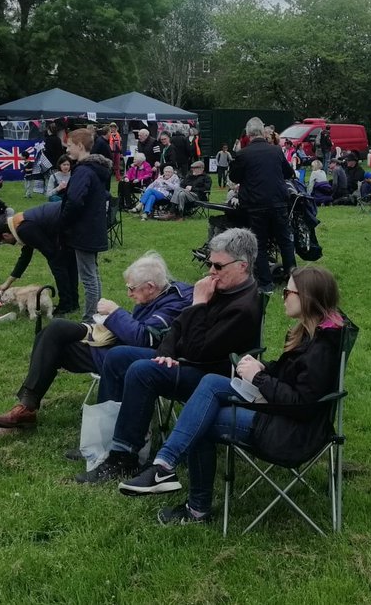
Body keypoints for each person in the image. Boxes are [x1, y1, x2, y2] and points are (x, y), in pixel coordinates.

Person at [117, 266, 345, 523]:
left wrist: (258, 378)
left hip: (289, 432)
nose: (283, 297)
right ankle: (164, 466)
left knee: (201, 419)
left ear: (307, 297)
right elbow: (291, 377)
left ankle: (194, 505)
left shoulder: (321, 348)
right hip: (278, 413)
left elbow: (302, 405)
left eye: (288, 292)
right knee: (212, 382)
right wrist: (261, 368)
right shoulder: (310, 333)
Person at [77, 228, 264, 483]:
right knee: (119, 355)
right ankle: (105, 441)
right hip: (186, 360)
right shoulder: (222, 287)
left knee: (142, 371)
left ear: (242, 266)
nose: (210, 271)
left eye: (218, 266)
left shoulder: (243, 307)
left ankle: (125, 456)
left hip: (213, 377)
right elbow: (177, 327)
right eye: (209, 263)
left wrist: (197, 304)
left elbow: (200, 351)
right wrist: (165, 352)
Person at [0, 251, 194, 430]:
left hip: (127, 356)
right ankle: (26, 405)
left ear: (150, 286)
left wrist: (115, 313)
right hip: (114, 342)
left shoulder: (173, 304)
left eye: (131, 288)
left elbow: (144, 339)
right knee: (55, 329)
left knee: (56, 347)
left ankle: (26, 412)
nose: (129, 294)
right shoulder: (157, 293)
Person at [229, 117, 297, 293]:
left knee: (259, 242)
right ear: (261, 132)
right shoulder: (275, 151)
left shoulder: (243, 154)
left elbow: (234, 177)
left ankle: (266, 284)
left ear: (248, 134)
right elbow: (288, 172)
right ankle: (294, 279)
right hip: (278, 201)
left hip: (255, 204)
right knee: (285, 240)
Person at [58, 128, 113, 322]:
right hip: (93, 228)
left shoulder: (83, 170)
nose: (67, 148)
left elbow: (74, 201)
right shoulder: (95, 169)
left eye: (70, 145)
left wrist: (63, 222)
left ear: (80, 146)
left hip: (84, 230)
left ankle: (90, 318)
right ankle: (96, 314)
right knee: (92, 273)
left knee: (88, 277)